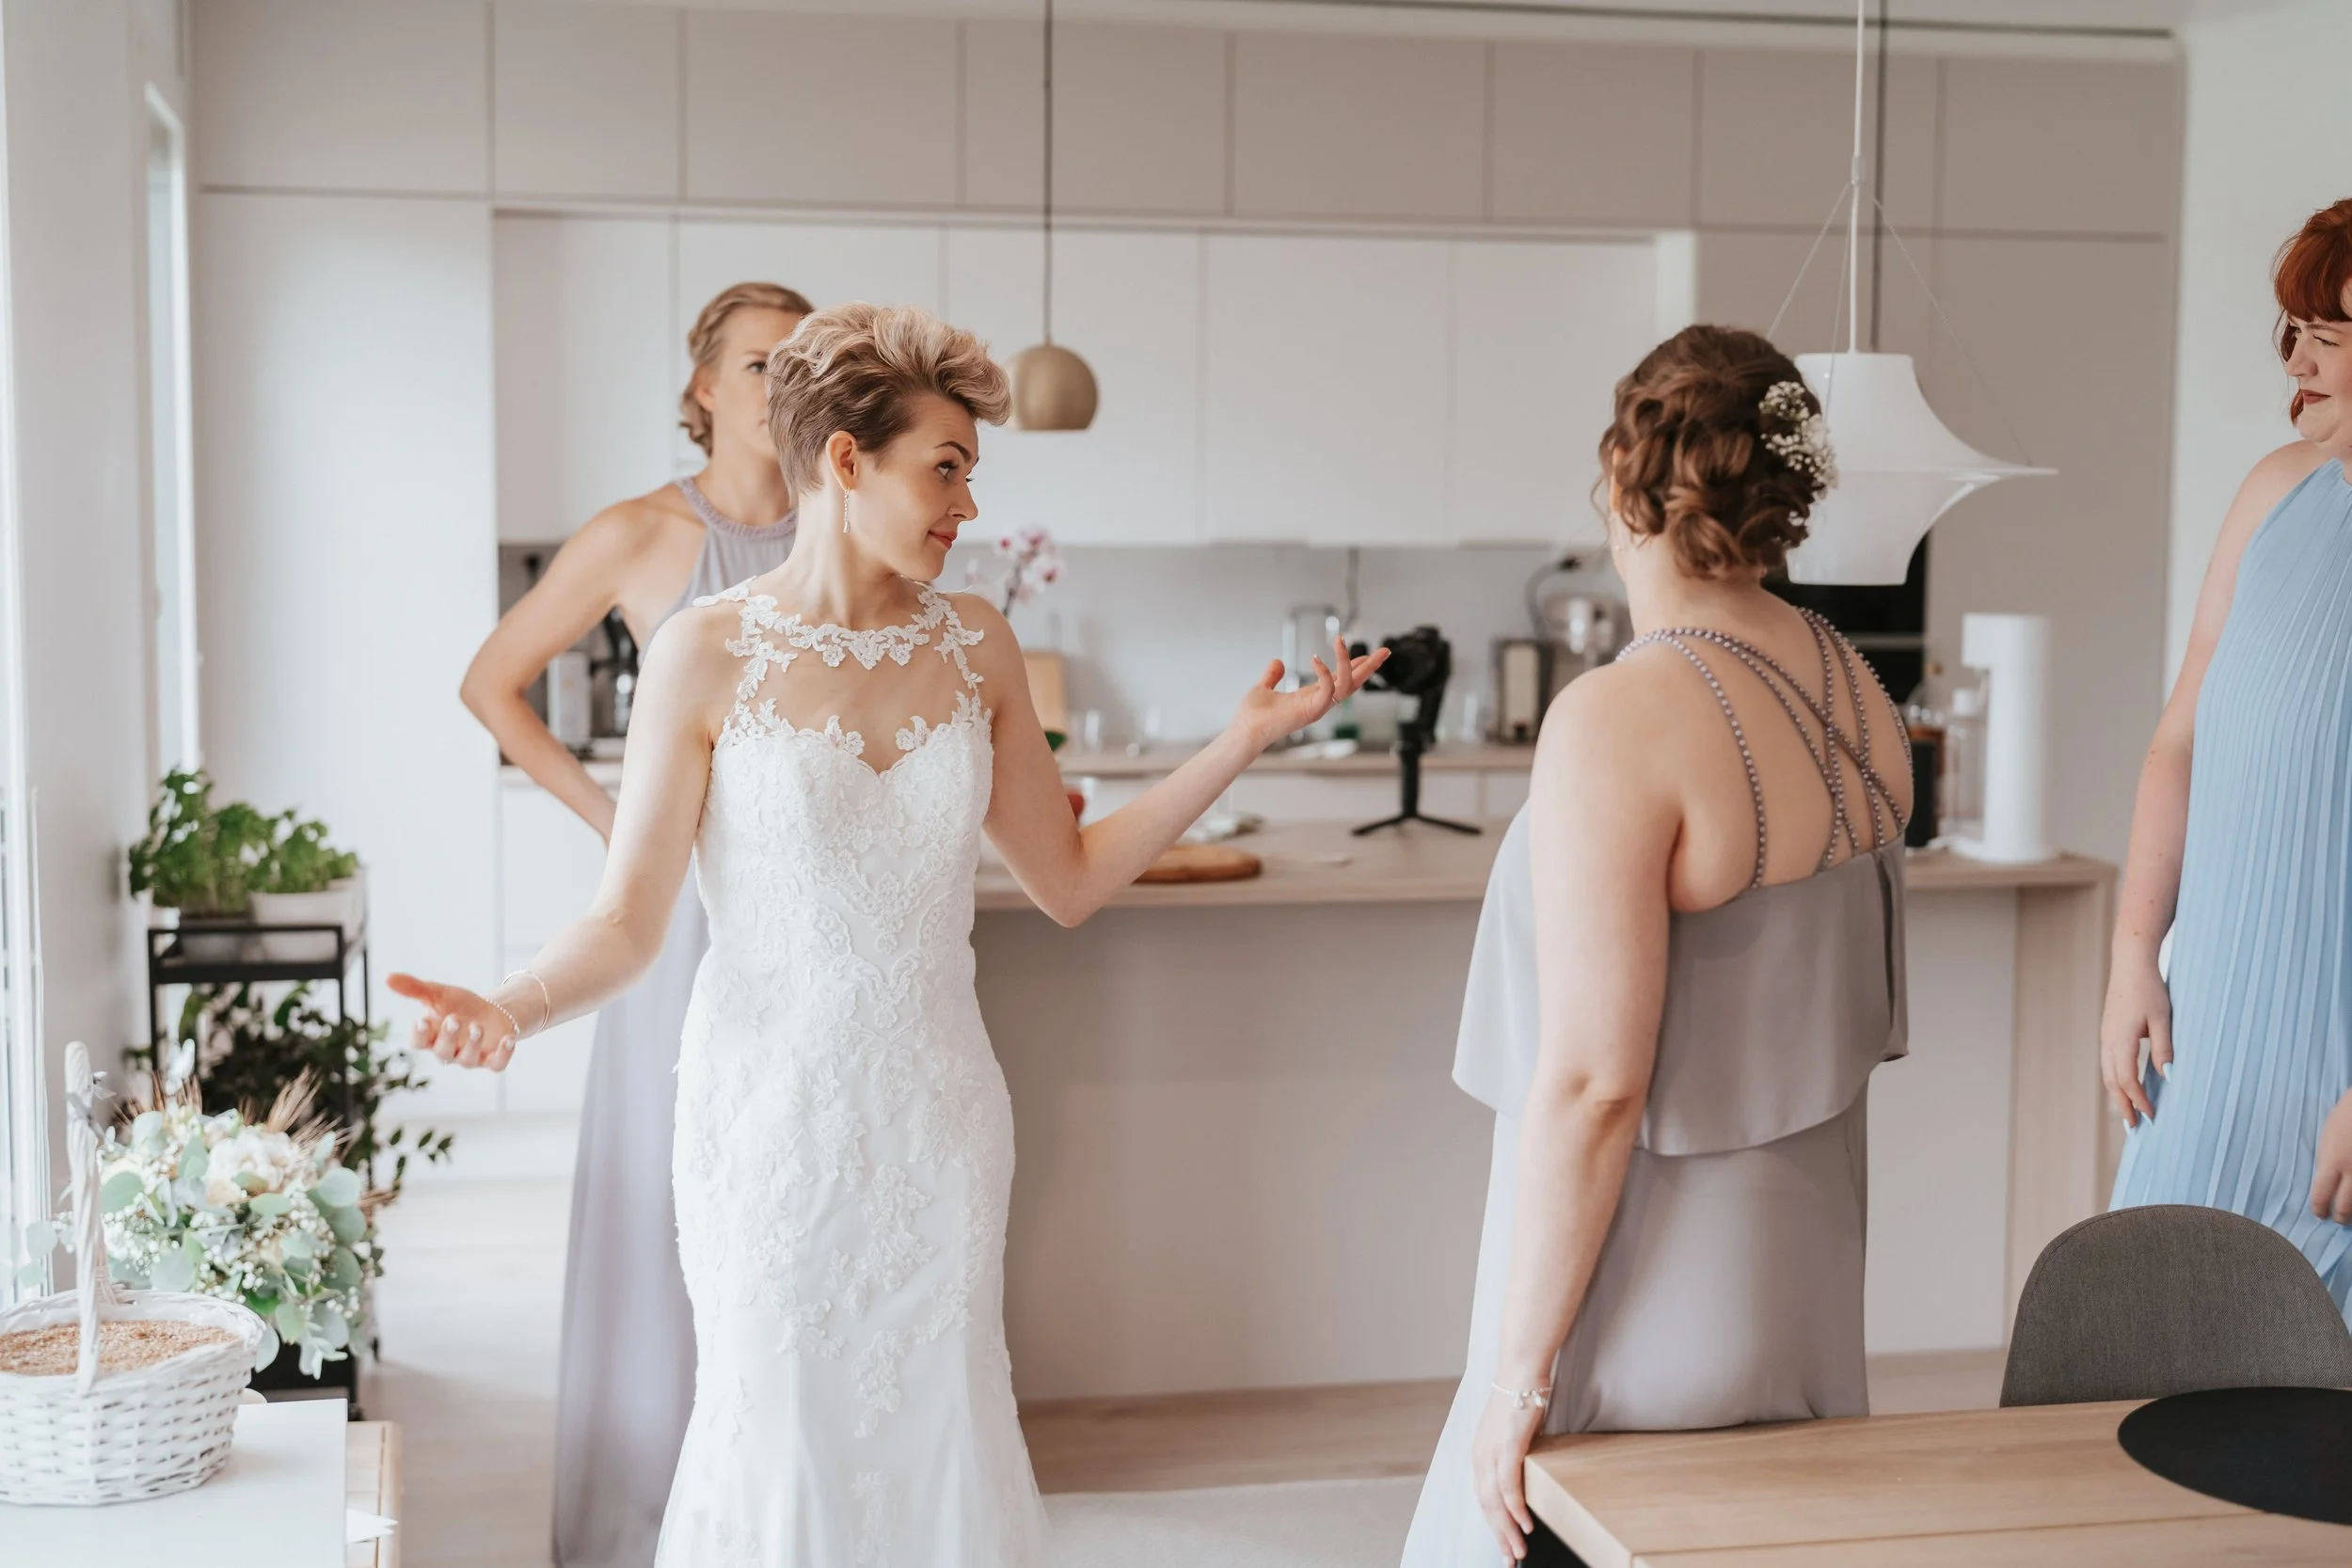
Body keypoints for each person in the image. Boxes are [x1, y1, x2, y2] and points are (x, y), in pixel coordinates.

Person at [394, 302, 1385, 1566]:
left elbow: (1070, 879)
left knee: (940, 1428)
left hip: (938, 1118)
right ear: (849, 462)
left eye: (972, 471)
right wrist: (511, 1005)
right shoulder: (702, 651)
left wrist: (1243, 739)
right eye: (949, 466)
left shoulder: (976, 643)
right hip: (766, 1125)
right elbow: (629, 921)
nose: (968, 504)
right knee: (779, 1429)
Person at [1402, 325, 1912, 1565]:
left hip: (1639, 1286)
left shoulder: (1621, 716)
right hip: (1801, 1284)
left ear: (1626, 476)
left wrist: (1515, 1379)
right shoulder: (1858, 687)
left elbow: (1593, 1082)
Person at [456, 280, 813, 1568]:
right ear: (705, 385)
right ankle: (638, 1518)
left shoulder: (844, 529)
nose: (778, 385)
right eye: (757, 363)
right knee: (672, 1188)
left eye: (799, 363)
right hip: (678, 913)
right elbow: (491, 683)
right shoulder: (636, 536)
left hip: (811, 917)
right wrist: (613, 819)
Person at [2104, 198, 2352, 1314]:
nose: (2292, 358)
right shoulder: (2273, 492)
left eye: (2327, 337)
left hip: (2333, 1075)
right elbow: (2178, 740)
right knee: (2148, 1363)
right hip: (2211, 1046)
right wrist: (2130, 956)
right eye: (2288, 328)